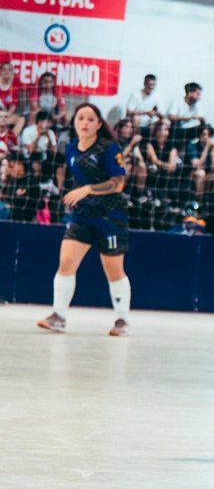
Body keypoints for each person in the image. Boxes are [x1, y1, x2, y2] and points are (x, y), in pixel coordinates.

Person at [36, 103, 132, 337]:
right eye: (81, 118)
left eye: (90, 119)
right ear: (74, 123)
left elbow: (118, 183)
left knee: (114, 271)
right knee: (66, 263)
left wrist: (87, 189)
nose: (85, 123)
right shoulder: (70, 149)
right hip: (83, 215)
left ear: (99, 124)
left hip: (110, 217)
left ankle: (122, 321)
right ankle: (58, 317)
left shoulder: (109, 149)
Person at [186, 123, 214, 197]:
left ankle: (212, 200)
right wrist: (206, 148)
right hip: (193, 174)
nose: (206, 137)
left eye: (209, 135)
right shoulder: (192, 146)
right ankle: (200, 202)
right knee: (201, 173)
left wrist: (212, 150)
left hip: (208, 174)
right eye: (204, 134)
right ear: (199, 135)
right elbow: (196, 165)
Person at [167, 81, 205, 152]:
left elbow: (201, 117)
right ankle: (173, 150)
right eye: (197, 94)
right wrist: (189, 118)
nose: (199, 97)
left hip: (190, 130)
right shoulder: (177, 101)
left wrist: (201, 119)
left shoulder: (198, 103)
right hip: (178, 129)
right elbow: (171, 116)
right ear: (190, 93)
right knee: (175, 124)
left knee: (205, 127)